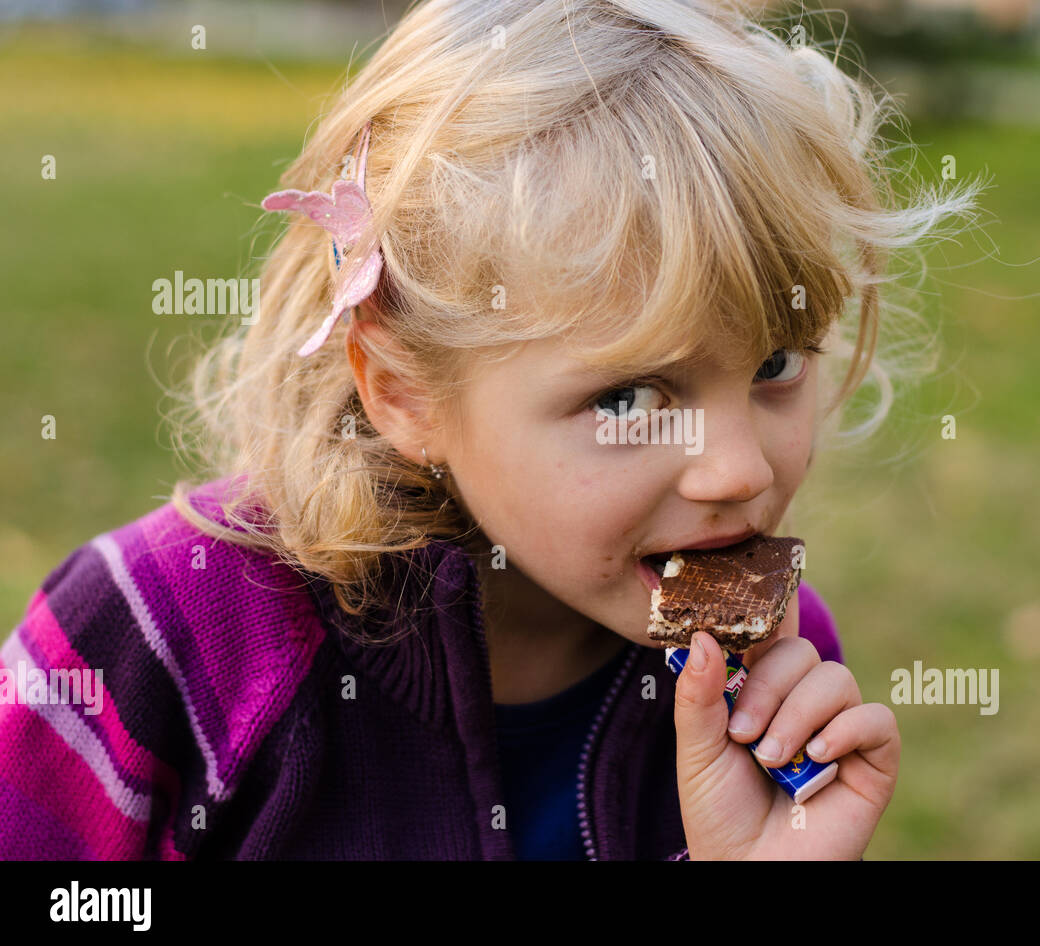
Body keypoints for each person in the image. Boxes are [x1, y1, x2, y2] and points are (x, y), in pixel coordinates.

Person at [0, 0, 981, 860]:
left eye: (774, 366)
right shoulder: (163, 637)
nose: (736, 470)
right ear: (404, 393)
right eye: (628, 400)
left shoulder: (768, 679)